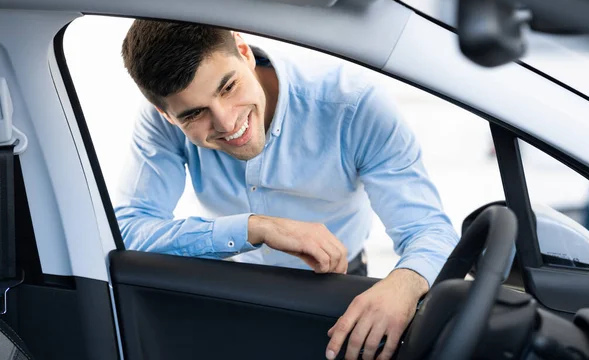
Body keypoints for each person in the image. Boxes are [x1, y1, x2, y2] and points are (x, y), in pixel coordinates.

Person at [114, 20, 459, 360]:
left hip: (338, 289)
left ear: (244, 50)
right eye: (195, 114)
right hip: (229, 287)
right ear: (167, 115)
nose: (226, 122)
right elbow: (129, 229)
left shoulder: (353, 104)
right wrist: (257, 227)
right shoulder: (159, 123)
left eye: (228, 87)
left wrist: (405, 284)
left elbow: (429, 231)